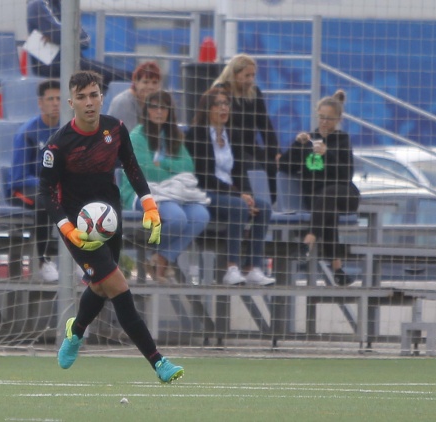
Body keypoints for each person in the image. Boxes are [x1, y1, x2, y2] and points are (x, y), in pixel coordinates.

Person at [38, 70, 183, 383]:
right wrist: (66, 229)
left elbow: (131, 166)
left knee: (101, 285)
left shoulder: (115, 128)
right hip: (79, 226)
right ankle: (159, 362)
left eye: (93, 95)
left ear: (101, 98)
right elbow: (46, 193)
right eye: (81, 97)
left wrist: (148, 203)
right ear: (71, 102)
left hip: (110, 219)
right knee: (118, 286)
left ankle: (75, 331)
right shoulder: (57, 146)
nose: (89, 102)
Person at [185, 86, 275, 286]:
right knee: (238, 206)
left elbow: (239, 171)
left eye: (226, 104)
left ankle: (253, 267)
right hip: (205, 192)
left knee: (264, 207)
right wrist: (238, 195)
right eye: (218, 104)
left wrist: (247, 194)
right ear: (207, 108)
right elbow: (203, 176)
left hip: (231, 194)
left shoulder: (232, 135)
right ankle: (231, 267)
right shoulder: (196, 134)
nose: (224, 108)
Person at [119, 90, 210, 283]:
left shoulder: (175, 135)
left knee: (201, 215)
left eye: (163, 107)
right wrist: (171, 171)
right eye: (154, 107)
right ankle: (156, 258)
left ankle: (159, 258)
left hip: (175, 192)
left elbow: (188, 167)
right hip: (142, 192)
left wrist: (165, 165)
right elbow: (146, 172)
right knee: (177, 218)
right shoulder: (137, 136)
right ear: (147, 110)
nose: (159, 112)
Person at [278, 90, 360, 286]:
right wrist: (297, 145)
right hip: (320, 202)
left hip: (344, 194)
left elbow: (346, 175)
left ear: (338, 119)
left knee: (328, 196)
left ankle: (309, 239)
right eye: (321, 118)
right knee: (326, 209)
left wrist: (328, 154)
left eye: (329, 119)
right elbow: (285, 167)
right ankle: (338, 269)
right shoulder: (310, 139)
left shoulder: (342, 139)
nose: (324, 123)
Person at [8, 79, 61, 282]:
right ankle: (43, 260)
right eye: (50, 99)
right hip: (23, 189)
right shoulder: (27, 133)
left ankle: (82, 259)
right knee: (44, 199)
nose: (55, 103)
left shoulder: (66, 131)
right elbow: (18, 177)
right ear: (40, 103)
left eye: (58, 98)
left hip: (53, 188)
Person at [212, 54, 280, 203]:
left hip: (250, 144)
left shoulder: (254, 93)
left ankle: (272, 204)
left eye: (253, 75)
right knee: (252, 166)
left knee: (270, 165)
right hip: (229, 145)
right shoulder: (221, 92)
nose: (250, 79)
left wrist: (275, 152)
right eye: (246, 75)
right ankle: (252, 201)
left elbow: (265, 124)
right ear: (234, 75)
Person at [26, 0, 130, 92]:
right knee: (113, 75)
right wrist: (64, 37)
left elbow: (85, 40)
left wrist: (58, 38)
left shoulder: (62, 5)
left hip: (75, 60)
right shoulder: (38, 5)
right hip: (51, 65)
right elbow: (60, 34)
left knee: (115, 74)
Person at [106, 61, 161, 130]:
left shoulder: (153, 102)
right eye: (145, 82)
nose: (150, 87)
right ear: (135, 82)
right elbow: (130, 138)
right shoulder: (124, 103)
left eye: (154, 82)